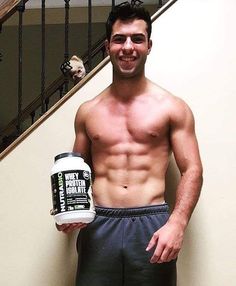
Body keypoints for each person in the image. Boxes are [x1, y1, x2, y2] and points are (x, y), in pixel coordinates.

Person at [56, 2, 203, 286]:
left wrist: (177, 223)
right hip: (99, 223)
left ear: (149, 45)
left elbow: (193, 169)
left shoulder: (172, 107)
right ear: (107, 46)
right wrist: (67, 212)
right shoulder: (88, 111)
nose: (128, 47)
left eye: (137, 38)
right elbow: (75, 172)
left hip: (152, 223)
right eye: (119, 39)